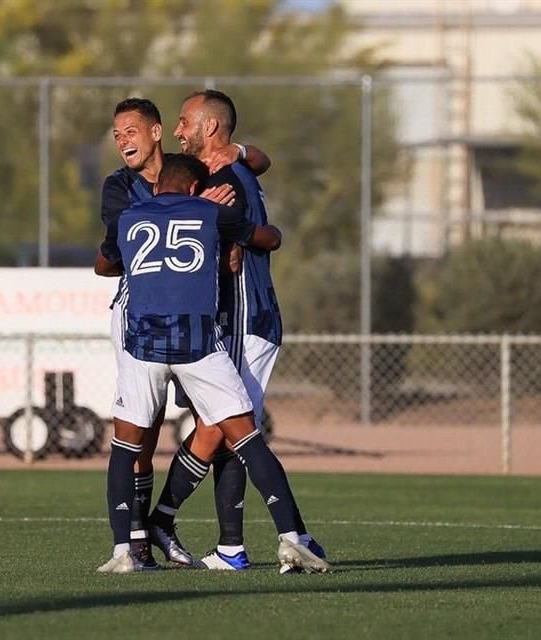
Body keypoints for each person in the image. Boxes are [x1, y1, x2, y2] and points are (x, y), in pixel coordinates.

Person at [97, 153, 306, 573]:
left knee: (126, 445)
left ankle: (124, 551)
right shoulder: (212, 212)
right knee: (246, 436)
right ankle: (291, 539)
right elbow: (268, 239)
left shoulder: (130, 216)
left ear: (157, 187)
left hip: (143, 347)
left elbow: (104, 265)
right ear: (195, 188)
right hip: (197, 346)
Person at [148, 89, 329, 574]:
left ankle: (284, 536)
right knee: (221, 427)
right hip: (246, 319)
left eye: (185, 122)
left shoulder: (227, 179)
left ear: (210, 128)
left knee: (232, 427)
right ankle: (227, 542)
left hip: (246, 319)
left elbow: (253, 237)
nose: (178, 130)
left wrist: (220, 231)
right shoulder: (232, 171)